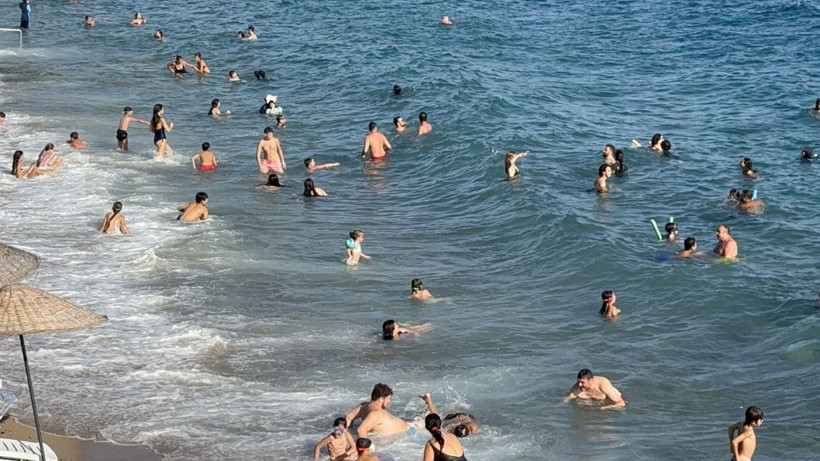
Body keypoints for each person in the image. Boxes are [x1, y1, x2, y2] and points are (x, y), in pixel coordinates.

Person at [344, 383, 411, 437]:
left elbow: (348, 417)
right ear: (381, 399)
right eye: (389, 399)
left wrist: (348, 433)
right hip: (407, 434)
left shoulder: (363, 406)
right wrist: (366, 449)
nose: (390, 401)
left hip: (407, 429)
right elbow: (361, 430)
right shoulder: (376, 413)